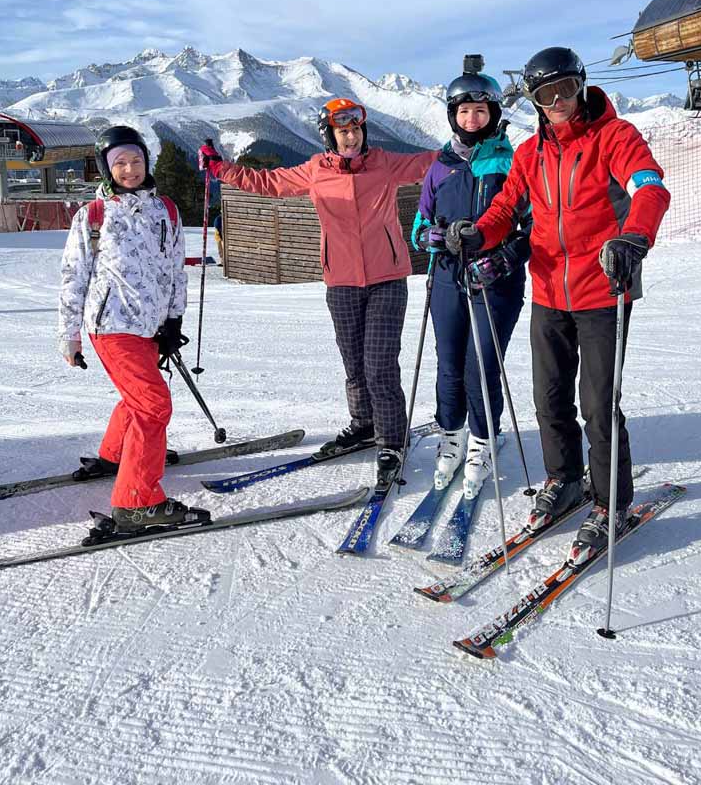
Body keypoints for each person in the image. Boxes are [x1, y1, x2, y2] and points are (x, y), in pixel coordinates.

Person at [445, 47, 670, 558]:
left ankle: (610, 503)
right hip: (549, 291)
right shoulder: (530, 153)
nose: (558, 101)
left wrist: (634, 236)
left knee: (598, 404)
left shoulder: (616, 137)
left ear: (580, 85)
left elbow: (650, 189)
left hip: (603, 288)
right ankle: (564, 479)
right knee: (549, 398)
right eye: (545, 94)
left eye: (565, 89)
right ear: (533, 100)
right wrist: (479, 233)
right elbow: (506, 207)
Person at [198, 99, 438, 488]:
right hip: (340, 281)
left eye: (356, 130)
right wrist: (220, 168)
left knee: (379, 365)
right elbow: (267, 182)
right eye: (343, 131)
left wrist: (471, 144)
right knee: (354, 364)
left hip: (387, 279)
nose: (351, 137)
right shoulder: (315, 171)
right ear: (330, 135)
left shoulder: (385, 163)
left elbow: (430, 163)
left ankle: (392, 440)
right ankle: (363, 425)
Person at [58, 126, 209, 532]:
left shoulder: (167, 211)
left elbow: (175, 270)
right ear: (107, 168)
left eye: (136, 160)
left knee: (139, 398)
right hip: (111, 326)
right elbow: (73, 277)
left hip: (150, 327)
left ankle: (116, 455)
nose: (129, 169)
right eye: (120, 163)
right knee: (153, 404)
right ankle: (137, 503)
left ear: (147, 161)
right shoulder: (93, 216)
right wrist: (69, 336)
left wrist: (173, 319)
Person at [412, 68, 530, 500]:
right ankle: (452, 435)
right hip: (447, 276)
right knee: (448, 362)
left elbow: (531, 226)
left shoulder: (510, 161)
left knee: (480, 364)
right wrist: (433, 237)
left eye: (480, 110)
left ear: (493, 113)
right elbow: (419, 226)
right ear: (453, 115)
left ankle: (482, 440)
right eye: (464, 111)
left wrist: (503, 258)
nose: (472, 119)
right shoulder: (440, 166)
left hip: (494, 279)